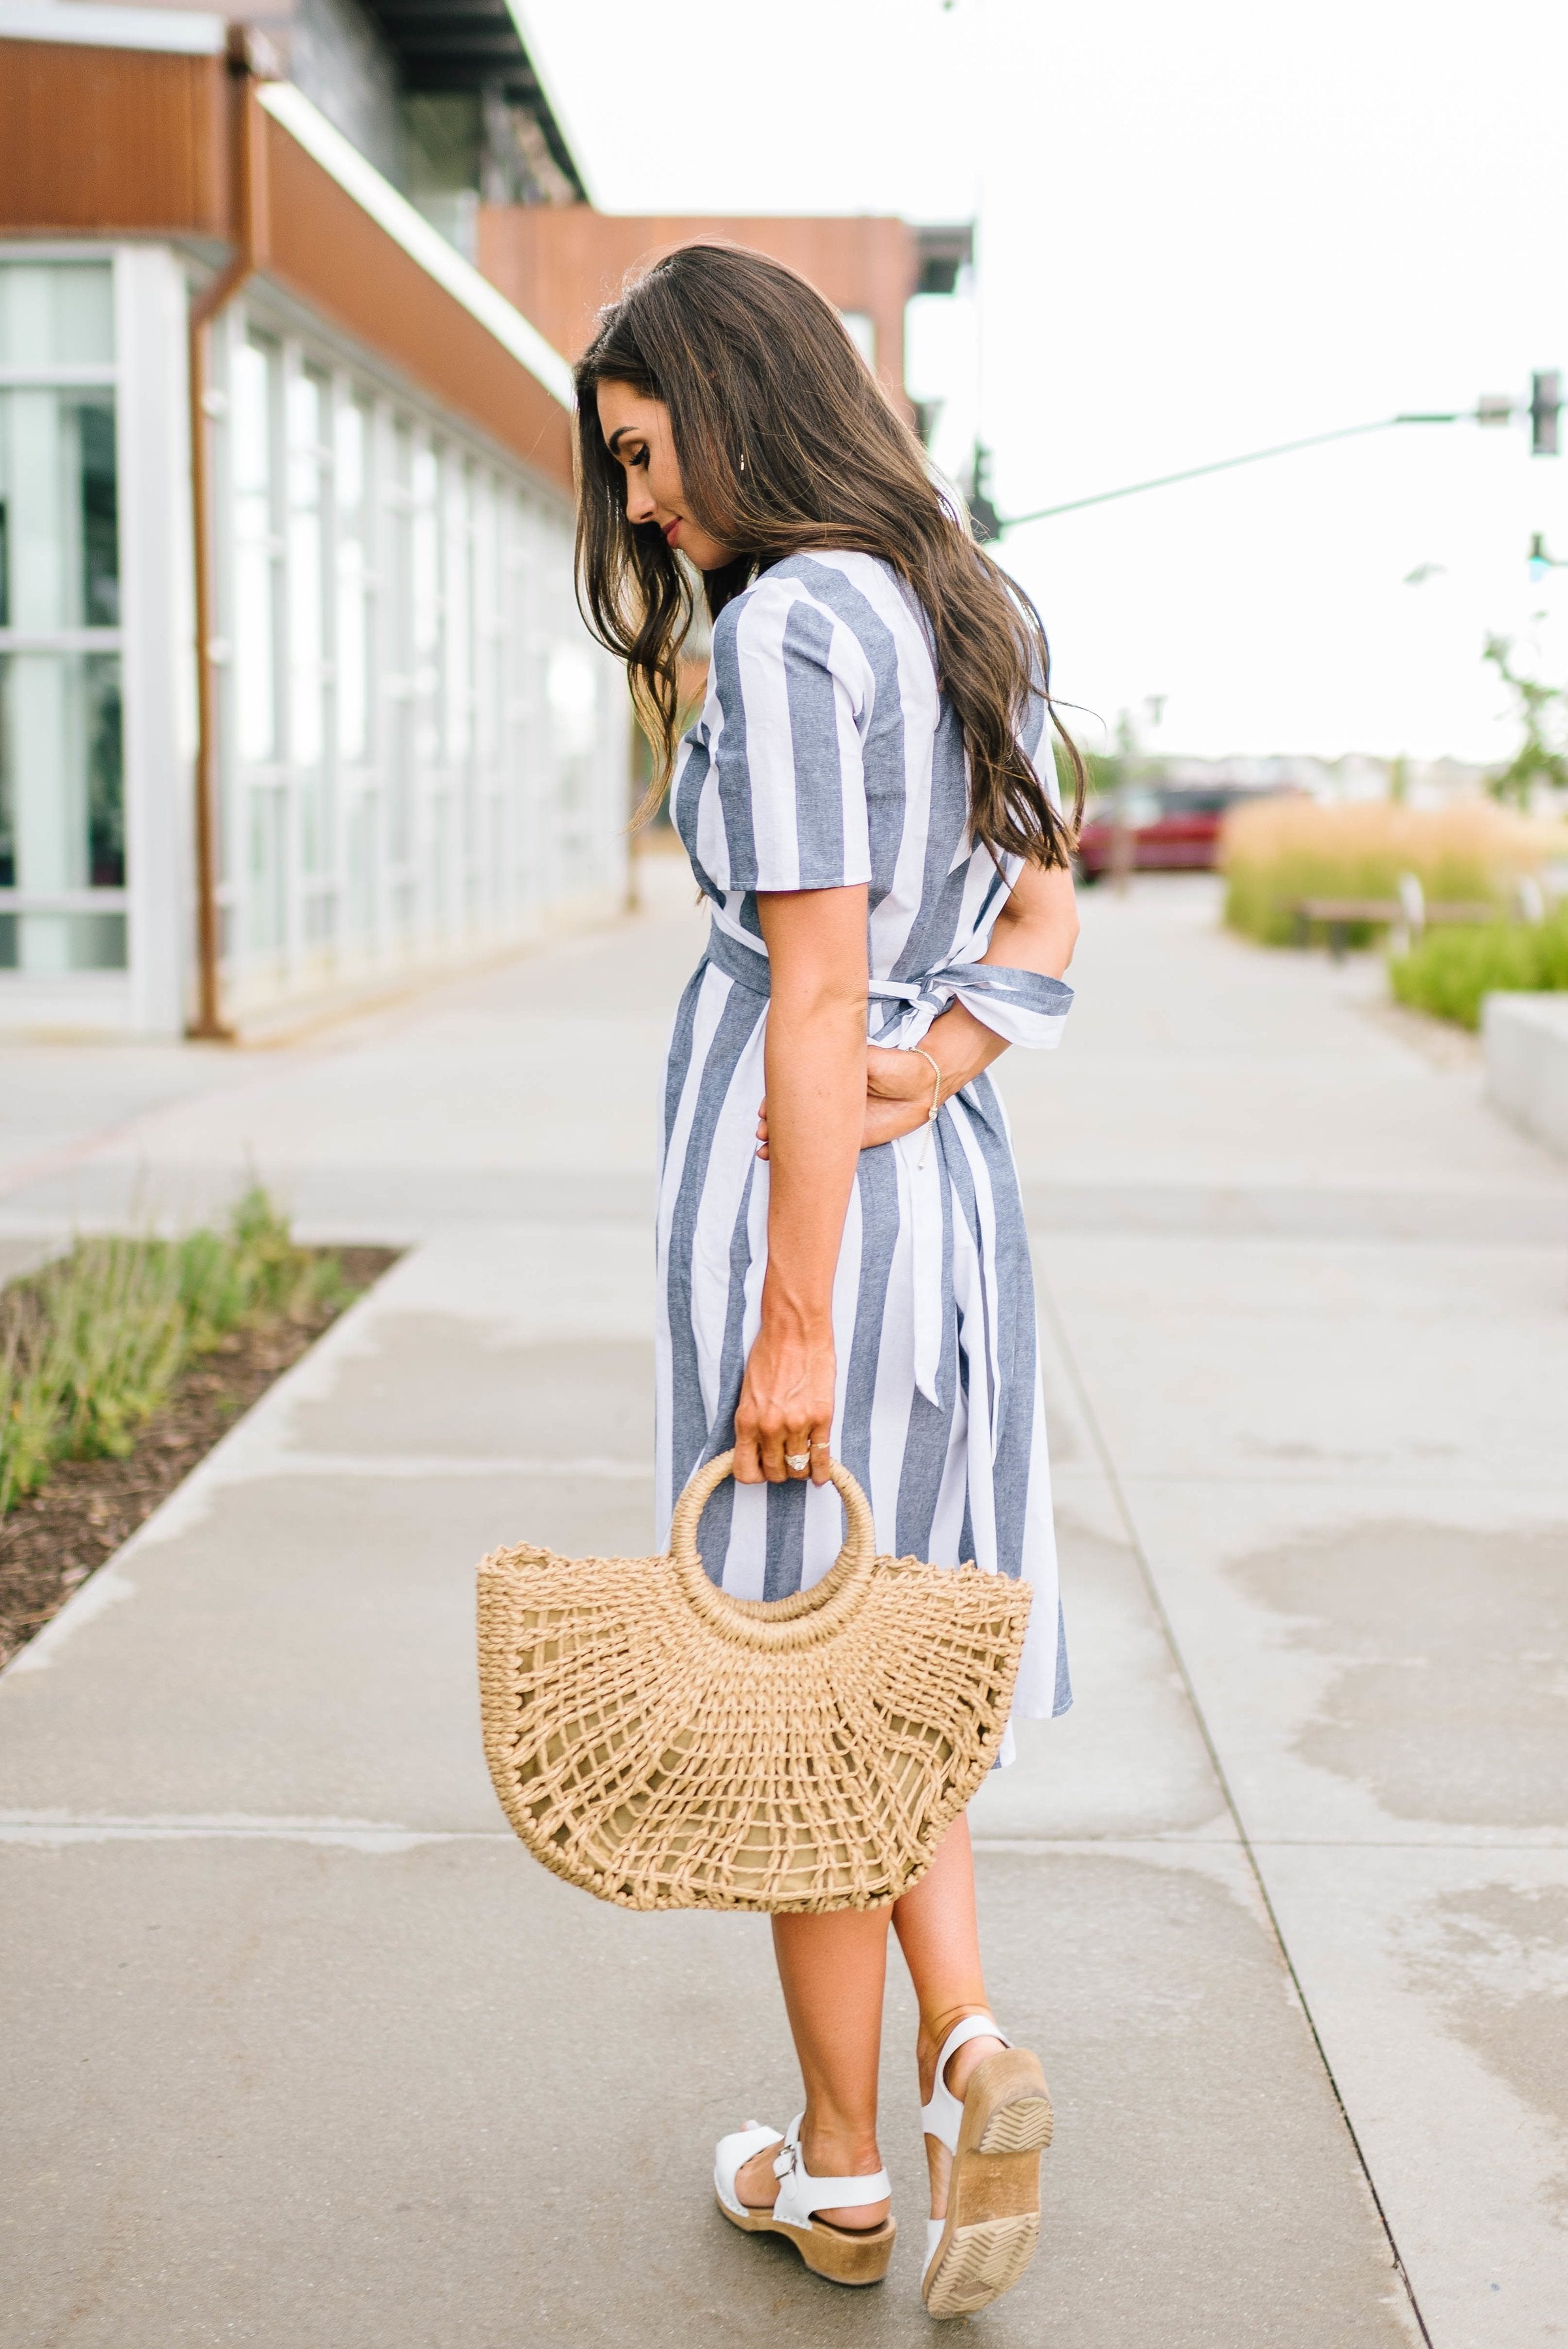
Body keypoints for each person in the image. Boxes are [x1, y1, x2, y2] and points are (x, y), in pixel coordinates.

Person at [574, 244, 1081, 2322]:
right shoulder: (974, 603)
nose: (635, 506)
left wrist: (792, 1308)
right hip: (949, 1209)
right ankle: (969, 2050)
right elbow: (1044, 910)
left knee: (801, 1686)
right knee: (895, 1670)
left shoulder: (788, 634)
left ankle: (848, 2175)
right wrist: (932, 1074)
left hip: (816, 1227)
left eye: (641, 451)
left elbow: (803, 989)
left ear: (733, 400)